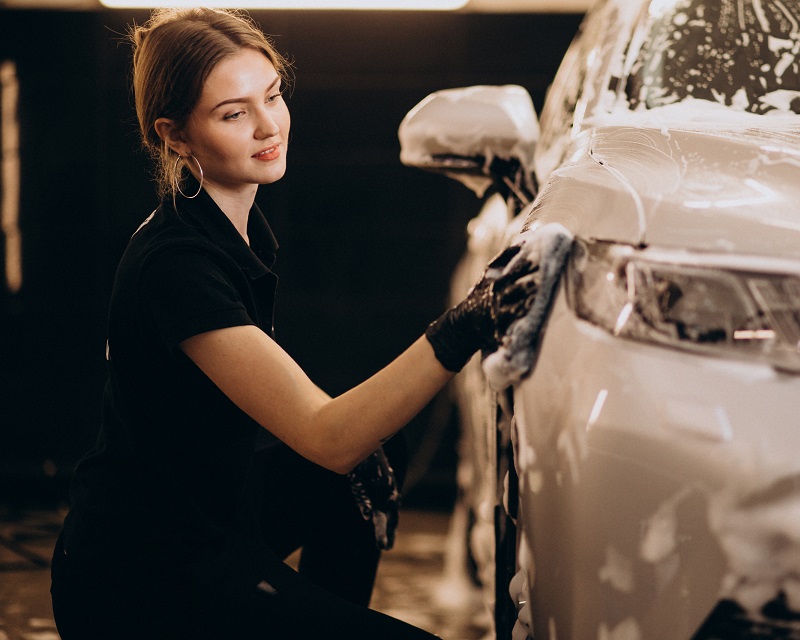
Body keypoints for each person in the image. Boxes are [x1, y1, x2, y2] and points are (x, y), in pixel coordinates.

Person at [49, 7, 542, 639]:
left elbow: (339, 447)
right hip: (140, 580)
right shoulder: (176, 265)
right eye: (234, 113)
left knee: (372, 455)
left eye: (273, 96)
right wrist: (465, 324)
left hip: (209, 519)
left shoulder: (237, 228)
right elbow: (325, 435)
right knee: (349, 450)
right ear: (175, 136)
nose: (267, 125)